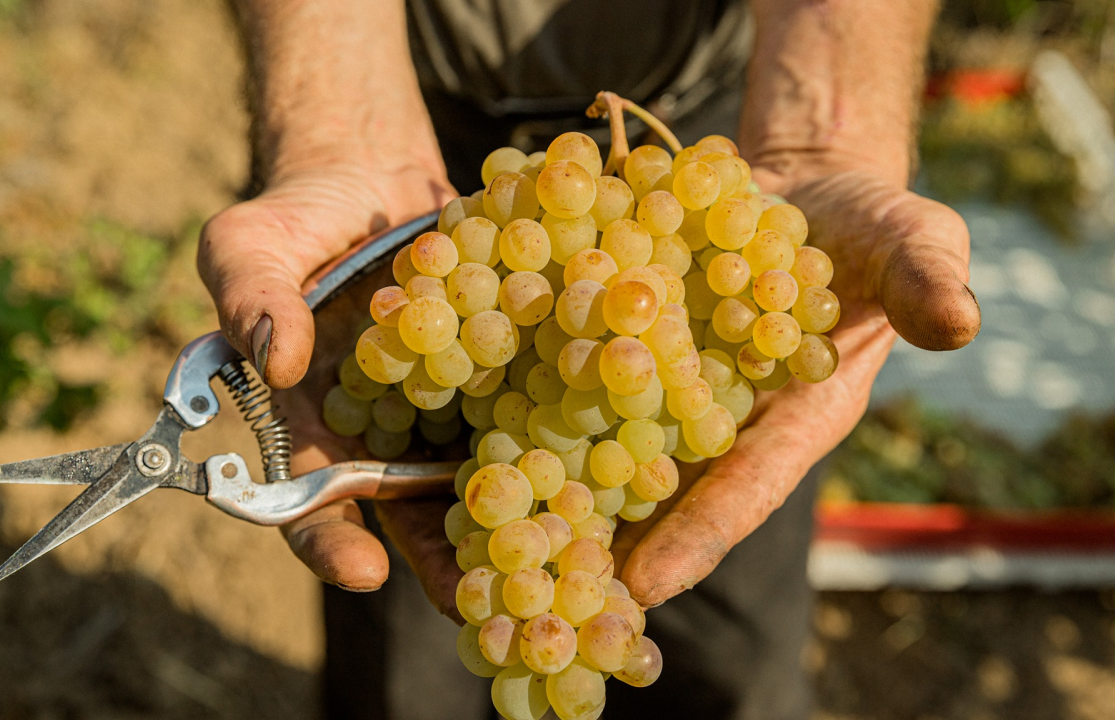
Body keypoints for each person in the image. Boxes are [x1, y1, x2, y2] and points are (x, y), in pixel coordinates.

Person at [197, 1, 981, 717]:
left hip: (732, 146)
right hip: (399, 135)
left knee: (737, 676)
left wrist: (828, 134)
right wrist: (329, 125)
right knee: (405, 684)